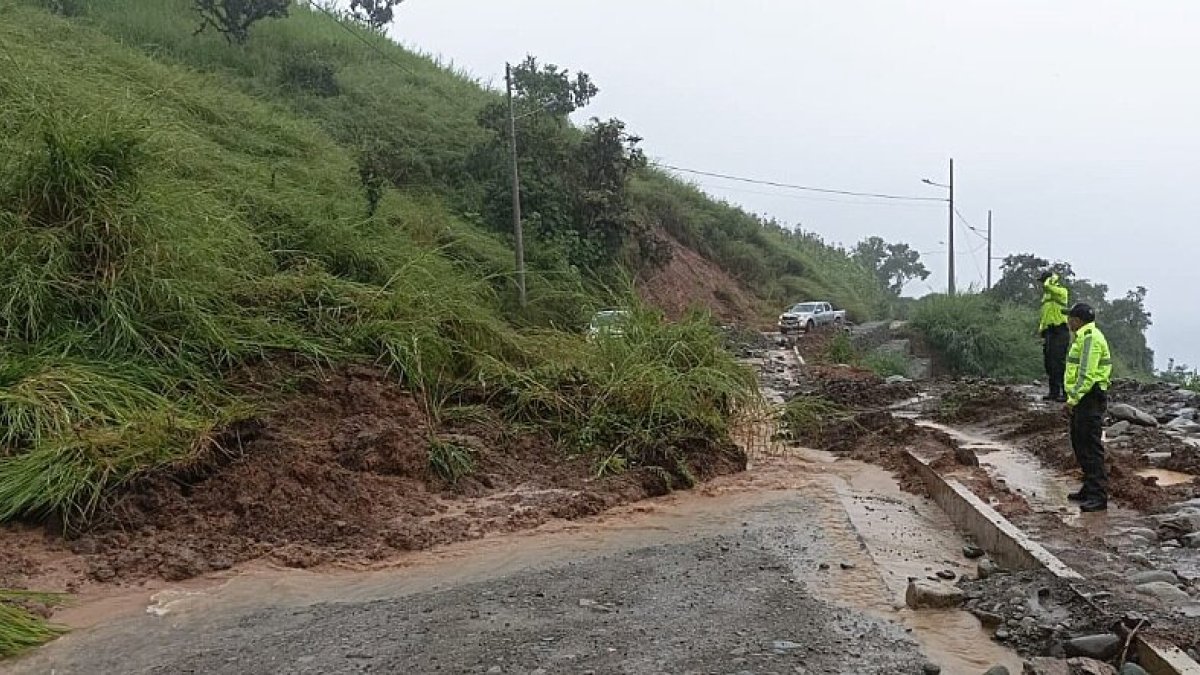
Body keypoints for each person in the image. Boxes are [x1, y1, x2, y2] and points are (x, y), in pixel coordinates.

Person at [1063, 302, 1112, 512]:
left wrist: (1072, 399)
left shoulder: (1090, 338)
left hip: (1089, 397)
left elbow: (1086, 374)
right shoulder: (1084, 337)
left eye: (1070, 318)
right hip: (1085, 397)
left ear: (1077, 320)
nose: (1067, 321)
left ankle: (1098, 496)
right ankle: (1088, 488)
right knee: (1079, 443)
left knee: (1091, 447)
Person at [1038, 270, 1071, 402]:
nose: (1041, 285)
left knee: (1059, 364)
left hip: (1060, 331)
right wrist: (1041, 328)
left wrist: (1051, 279)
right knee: (1049, 364)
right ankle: (1054, 392)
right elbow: (1045, 314)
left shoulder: (1061, 292)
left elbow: (1048, 286)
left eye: (1042, 281)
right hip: (1049, 332)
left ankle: (1066, 392)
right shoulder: (1046, 297)